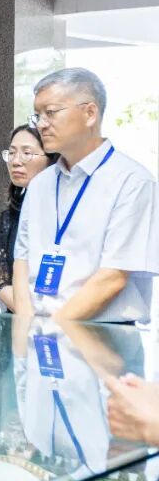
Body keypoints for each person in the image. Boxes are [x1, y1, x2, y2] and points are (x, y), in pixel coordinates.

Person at [13, 68, 159, 324]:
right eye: (38, 115)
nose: (41, 124)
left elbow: (113, 277)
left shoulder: (131, 181)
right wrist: (26, 326)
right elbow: (22, 260)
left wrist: (51, 329)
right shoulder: (40, 184)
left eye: (51, 112)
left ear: (90, 113)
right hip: (39, 330)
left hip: (102, 333)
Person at [0, 125, 57, 312]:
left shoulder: (66, 208)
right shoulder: (9, 216)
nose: (16, 161)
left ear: (51, 159)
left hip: (66, 317)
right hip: (22, 319)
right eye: (11, 153)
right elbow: (2, 282)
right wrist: (30, 314)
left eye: (27, 153)